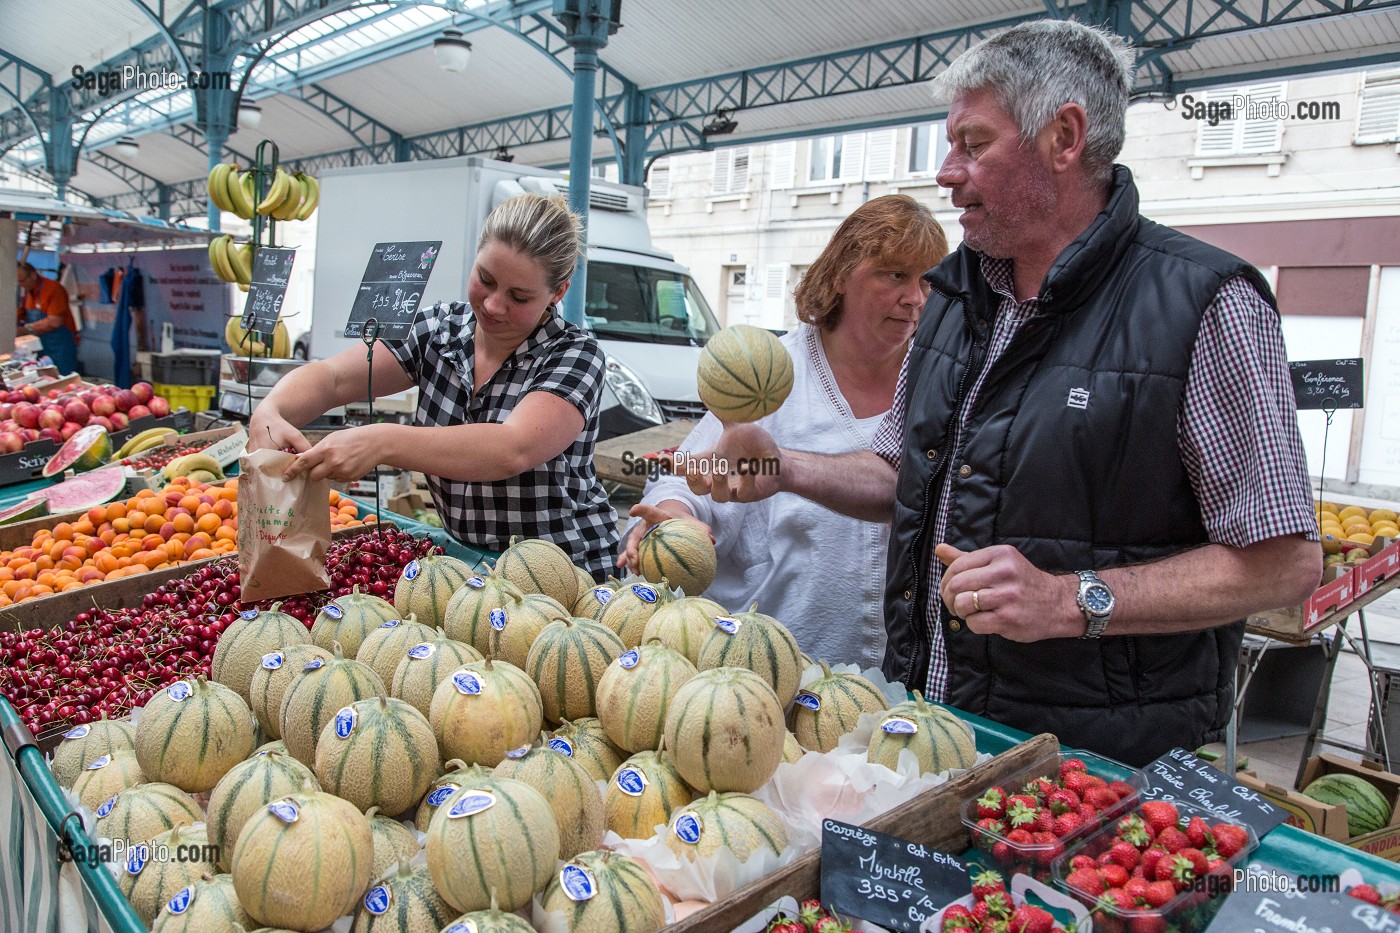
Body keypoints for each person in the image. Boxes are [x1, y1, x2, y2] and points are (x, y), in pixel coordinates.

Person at [681, 20, 1320, 766]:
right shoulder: (953, 297)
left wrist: (1070, 599)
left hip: (1092, 767)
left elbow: (1283, 562)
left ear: (1065, 137)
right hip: (930, 730)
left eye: (973, 144)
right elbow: (901, 475)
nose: (947, 172)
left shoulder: (1204, 303)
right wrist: (784, 467)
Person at [619, 195, 947, 668]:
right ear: (840, 273)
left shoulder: (938, 377)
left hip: (896, 675)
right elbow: (685, 478)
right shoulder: (772, 372)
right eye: (895, 274)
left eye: (926, 281)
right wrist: (675, 518)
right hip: (768, 665)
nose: (915, 297)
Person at [249, 193, 619, 579]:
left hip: (564, 572)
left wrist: (382, 442)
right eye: (485, 280)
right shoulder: (440, 331)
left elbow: (513, 448)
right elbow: (334, 377)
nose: (493, 305)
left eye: (519, 296)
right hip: (466, 567)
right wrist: (272, 409)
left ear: (558, 292)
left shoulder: (576, 355)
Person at [16, 262, 80, 375]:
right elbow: (20, 313)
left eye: (22, 281)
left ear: (33, 275)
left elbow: (54, 321)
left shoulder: (53, 289)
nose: (20, 284)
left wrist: (25, 330)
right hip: (41, 347)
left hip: (60, 347)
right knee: (44, 379)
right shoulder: (27, 293)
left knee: (64, 380)